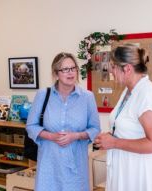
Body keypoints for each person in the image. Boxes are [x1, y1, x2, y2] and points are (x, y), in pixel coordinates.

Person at [94, 44, 152, 191]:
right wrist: (112, 136)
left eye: (114, 66)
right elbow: (131, 128)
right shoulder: (129, 91)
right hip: (127, 169)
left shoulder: (147, 94)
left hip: (143, 174)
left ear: (127, 69)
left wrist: (115, 142)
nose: (111, 70)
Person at [26, 52, 101, 191]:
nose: (70, 73)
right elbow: (31, 126)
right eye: (65, 69)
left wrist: (76, 136)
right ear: (56, 73)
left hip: (76, 166)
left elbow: (95, 128)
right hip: (49, 165)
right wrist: (51, 136)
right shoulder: (43, 95)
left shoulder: (87, 97)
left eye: (73, 68)